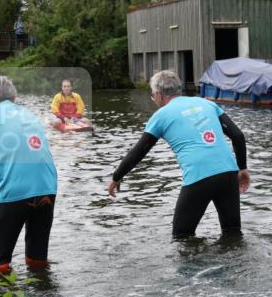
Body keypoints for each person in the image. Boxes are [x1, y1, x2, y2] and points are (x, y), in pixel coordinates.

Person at [107, 70, 250, 238]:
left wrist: (117, 176)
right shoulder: (206, 103)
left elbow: (139, 152)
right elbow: (238, 136)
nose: (153, 100)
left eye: (152, 95)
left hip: (199, 175)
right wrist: (242, 169)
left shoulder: (161, 115)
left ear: (159, 95)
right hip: (228, 173)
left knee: (182, 237)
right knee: (232, 234)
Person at [0, 75, 58, 274]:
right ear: (14, 97)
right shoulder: (29, 114)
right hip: (48, 187)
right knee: (37, 259)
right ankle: (44, 292)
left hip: (15, 192)